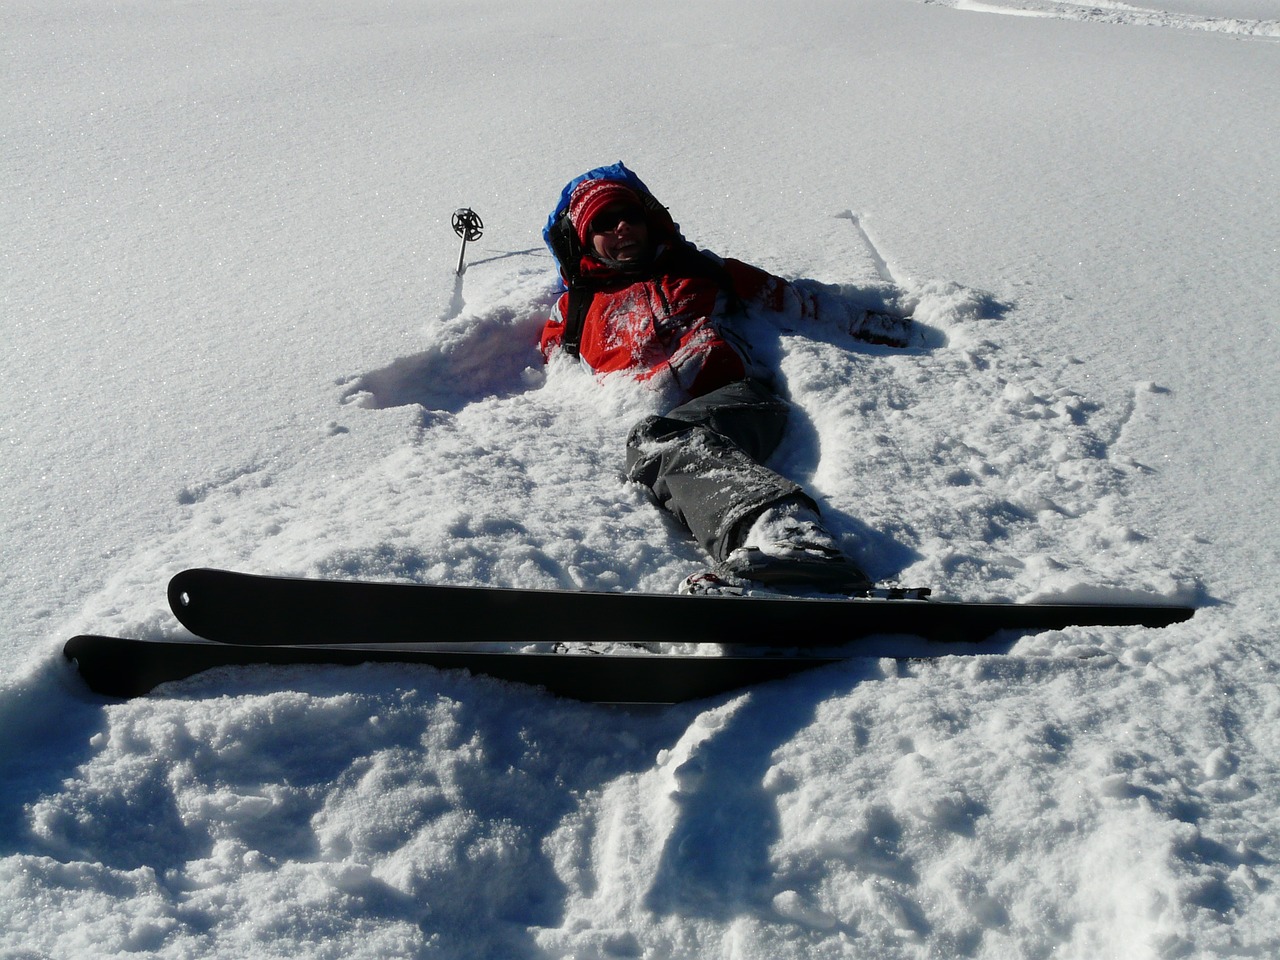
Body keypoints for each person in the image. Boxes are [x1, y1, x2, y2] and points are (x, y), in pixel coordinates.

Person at [540, 163, 914, 592]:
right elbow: (556, 374)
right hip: (654, 436)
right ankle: (759, 576)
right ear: (585, 238)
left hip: (740, 401)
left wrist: (908, 332)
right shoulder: (575, 311)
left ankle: (793, 539)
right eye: (605, 222)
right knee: (659, 445)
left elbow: (797, 303)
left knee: (662, 438)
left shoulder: (701, 270)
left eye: (630, 215)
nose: (622, 227)